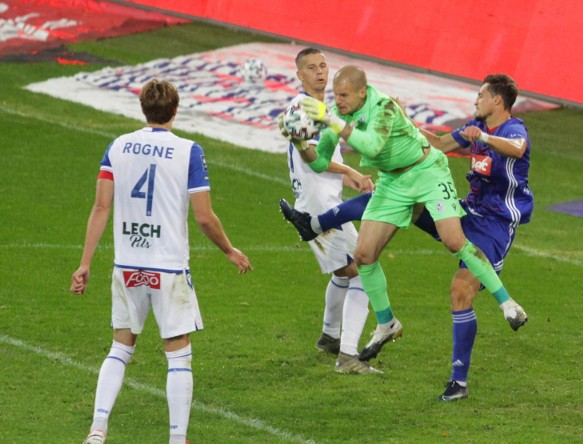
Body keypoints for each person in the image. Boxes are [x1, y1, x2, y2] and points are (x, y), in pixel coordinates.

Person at [282, 73, 531, 401]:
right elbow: (439, 142)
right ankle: (384, 320)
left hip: (490, 220)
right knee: (364, 254)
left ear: (497, 100)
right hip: (449, 202)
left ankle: (489, 334)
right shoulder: (348, 115)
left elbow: (518, 148)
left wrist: (483, 138)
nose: (475, 101)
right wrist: (302, 143)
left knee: (459, 284)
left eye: (481, 96)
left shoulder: (511, 129)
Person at [70, 79, 253, 444]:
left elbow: (101, 206)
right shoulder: (189, 151)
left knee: (120, 346)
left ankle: (97, 429)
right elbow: (204, 217)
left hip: (128, 264)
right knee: (179, 355)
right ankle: (176, 438)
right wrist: (229, 250)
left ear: (143, 108)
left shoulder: (117, 146)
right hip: (167, 267)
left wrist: (85, 263)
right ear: (175, 109)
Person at [279, 47, 380, 375]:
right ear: (300, 74)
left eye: (323, 66)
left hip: (324, 203)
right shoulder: (301, 108)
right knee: (362, 272)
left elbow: (317, 156)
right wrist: (349, 172)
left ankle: (329, 337)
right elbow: (309, 155)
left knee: (344, 271)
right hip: (318, 208)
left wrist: (346, 175)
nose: (320, 72)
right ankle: (347, 356)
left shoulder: (320, 108)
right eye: (311, 67)